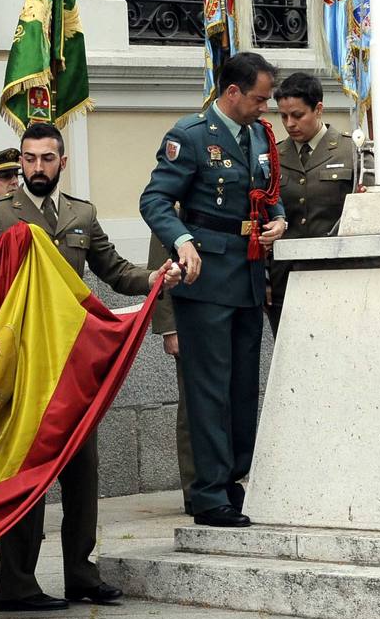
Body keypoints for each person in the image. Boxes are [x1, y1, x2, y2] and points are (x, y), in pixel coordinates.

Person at [0, 121, 180, 612]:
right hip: (22, 366)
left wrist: (155, 279)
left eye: (46, 158)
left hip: (72, 364)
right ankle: (16, 583)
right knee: (27, 471)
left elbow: (114, 269)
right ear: (21, 162)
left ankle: (81, 574)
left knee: (83, 469)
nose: (37, 167)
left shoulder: (82, 212)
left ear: (62, 162)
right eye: (29, 158)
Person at [139, 52, 287, 529]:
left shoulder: (260, 137)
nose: (266, 108)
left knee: (243, 388)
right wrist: (180, 241)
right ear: (232, 93)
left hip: (247, 276)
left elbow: (267, 191)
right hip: (205, 282)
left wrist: (278, 220)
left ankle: (234, 482)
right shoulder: (191, 136)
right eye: (260, 98)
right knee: (209, 392)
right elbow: (155, 199)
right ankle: (207, 494)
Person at [266, 71, 359, 334]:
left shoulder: (350, 151)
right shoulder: (273, 155)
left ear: (318, 109)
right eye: (283, 116)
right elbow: (262, 218)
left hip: (337, 274)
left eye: (297, 115)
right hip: (286, 278)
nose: (290, 123)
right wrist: (264, 277)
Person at [146, 232, 194, 514]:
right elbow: (161, 264)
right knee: (192, 408)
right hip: (187, 321)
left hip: (226, 313)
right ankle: (194, 487)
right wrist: (169, 327)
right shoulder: (170, 201)